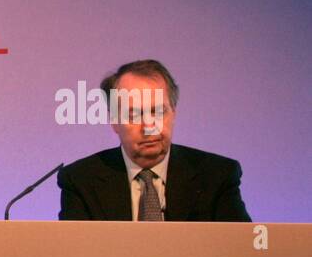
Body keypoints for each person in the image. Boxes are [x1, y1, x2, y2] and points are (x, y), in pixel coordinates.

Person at [57, 59, 250, 221]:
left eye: (158, 112)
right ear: (114, 122)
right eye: (134, 115)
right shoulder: (80, 181)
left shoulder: (217, 176)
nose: (149, 127)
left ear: (173, 113)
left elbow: (242, 253)